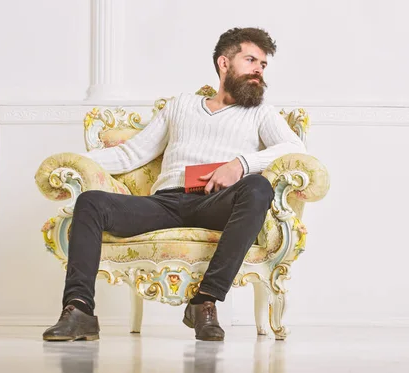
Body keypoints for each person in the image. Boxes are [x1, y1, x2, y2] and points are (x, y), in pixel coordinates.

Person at [43, 27, 307, 342]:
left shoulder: (260, 113)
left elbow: (295, 149)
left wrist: (240, 164)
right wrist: (72, 161)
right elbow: (132, 155)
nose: (258, 70)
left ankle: (204, 301)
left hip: (216, 203)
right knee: (91, 202)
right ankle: (80, 310)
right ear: (224, 63)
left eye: (263, 65)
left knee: (257, 188)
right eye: (251, 60)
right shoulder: (181, 105)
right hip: (164, 203)